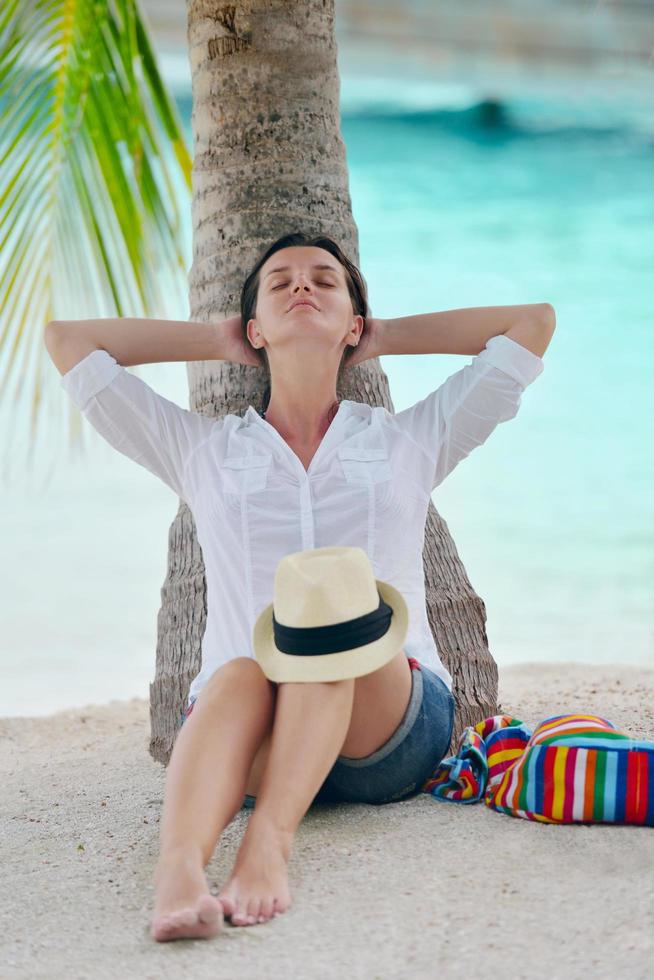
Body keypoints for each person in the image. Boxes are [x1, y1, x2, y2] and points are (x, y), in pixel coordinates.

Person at [45, 230, 552, 942]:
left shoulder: (411, 439)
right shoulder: (204, 451)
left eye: (324, 280)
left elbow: (530, 325)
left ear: (352, 321)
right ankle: (181, 870)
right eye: (279, 283)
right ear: (255, 327)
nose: (301, 287)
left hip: (390, 727)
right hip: (249, 733)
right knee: (242, 671)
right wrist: (221, 342)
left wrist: (378, 336)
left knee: (333, 628)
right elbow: (70, 341)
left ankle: (266, 847)